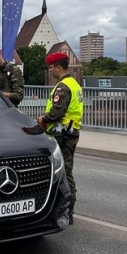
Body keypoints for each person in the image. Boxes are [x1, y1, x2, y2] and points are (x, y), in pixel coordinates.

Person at [38, 52, 83, 224]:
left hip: (62, 133)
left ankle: (66, 211)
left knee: (63, 173)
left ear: (58, 66)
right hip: (71, 132)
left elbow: (57, 112)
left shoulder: (62, 87)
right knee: (67, 171)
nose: (50, 71)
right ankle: (68, 210)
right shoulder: (74, 84)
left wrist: (44, 119)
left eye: (50, 67)